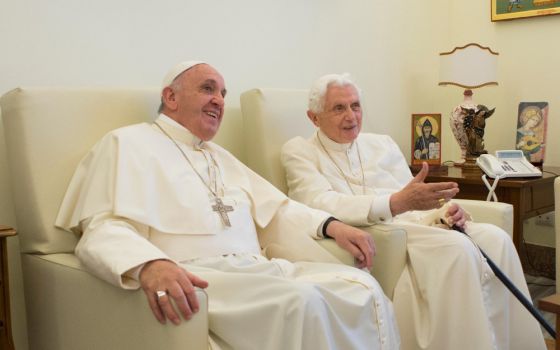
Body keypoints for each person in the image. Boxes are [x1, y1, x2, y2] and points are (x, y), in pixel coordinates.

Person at [55, 62, 401, 349]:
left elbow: (278, 208)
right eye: (208, 89)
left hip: (257, 270)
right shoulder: (126, 143)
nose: (219, 100)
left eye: (222, 93)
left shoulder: (219, 156)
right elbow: (102, 227)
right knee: (301, 301)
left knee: (362, 288)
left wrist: (331, 226)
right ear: (170, 97)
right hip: (201, 275)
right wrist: (148, 265)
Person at [280, 73, 546, 350]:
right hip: (379, 231)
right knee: (457, 248)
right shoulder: (299, 152)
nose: (351, 116)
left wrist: (446, 211)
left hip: (416, 221)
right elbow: (316, 202)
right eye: (339, 108)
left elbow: (411, 196)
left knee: (496, 239)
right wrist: (394, 203)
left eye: (355, 105)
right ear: (314, 118)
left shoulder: (381, 144)